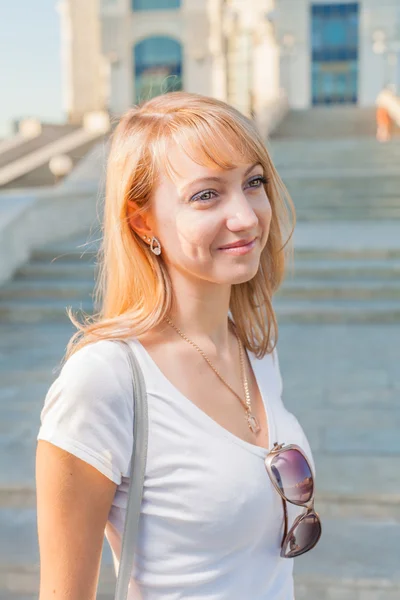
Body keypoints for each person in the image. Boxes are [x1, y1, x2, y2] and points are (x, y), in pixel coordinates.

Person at [36, 91, 316, 599]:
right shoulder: (104, 381)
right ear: (143, 222)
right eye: (207, 195)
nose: (248, 217)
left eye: (253, 183)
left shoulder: (253, 348)